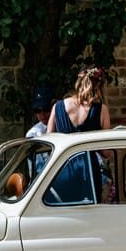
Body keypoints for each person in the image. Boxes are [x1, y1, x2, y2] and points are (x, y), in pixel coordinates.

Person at [47, 67, 113, 203]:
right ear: (99, 86)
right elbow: (107, 152)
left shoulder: (58, 107)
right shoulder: (101, 110)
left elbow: (49, 142)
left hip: (62, 169)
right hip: (87, 172)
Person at [48, 67, 111, 134]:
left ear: (78, 84)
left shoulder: (57, 107)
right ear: (98, 87)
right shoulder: (102, 110)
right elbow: (106, 141)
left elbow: (49, 136)